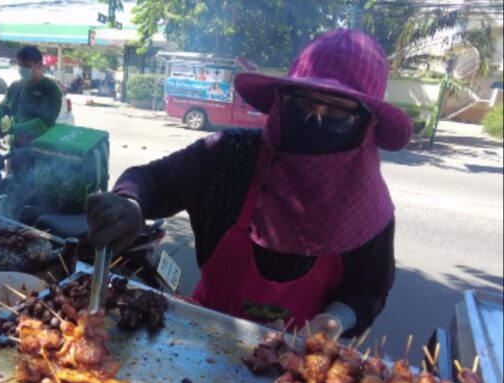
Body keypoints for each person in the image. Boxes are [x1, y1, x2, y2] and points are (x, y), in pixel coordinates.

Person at [85, 30, 413, 339]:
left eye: (338, 113)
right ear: (280, 103)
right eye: (302, 103)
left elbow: (368, 291)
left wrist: (335, 320)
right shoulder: (229, 156)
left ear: (367, 124)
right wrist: (129, 202)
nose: (315, 119)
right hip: (199, 341)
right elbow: (154, 180)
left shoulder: (368, 206)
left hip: (295, 362)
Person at [0, 46, 62, 176]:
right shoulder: (16, 86)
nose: (22, 69)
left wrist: (11, 129)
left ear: (39, 65)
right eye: (20, 65)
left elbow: (42, 124)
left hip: (38, 152)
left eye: (27, 66)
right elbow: (2, 110)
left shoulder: (50, 89)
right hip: (15, 149)